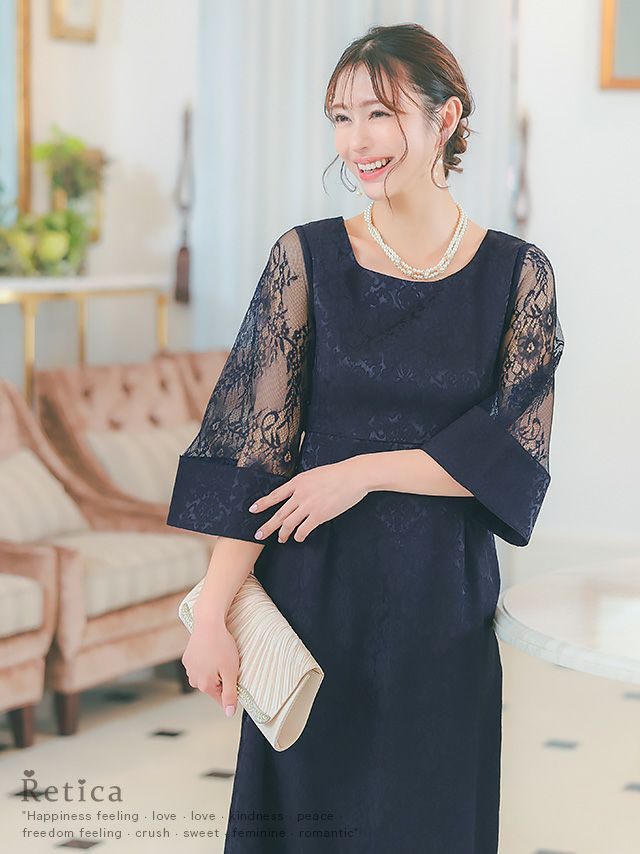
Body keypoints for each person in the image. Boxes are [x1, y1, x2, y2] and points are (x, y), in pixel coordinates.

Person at [166, 22, 565, 854]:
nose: (356, 142)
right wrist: (212, 612)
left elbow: (514, 455)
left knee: (430, 822)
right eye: (341, 118)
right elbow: (255, 457)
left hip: (442, 605)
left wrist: (363, 471)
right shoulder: (305, 259)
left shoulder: (517, 274)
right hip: (315, 591)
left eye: (379, 114)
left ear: (445, 118)